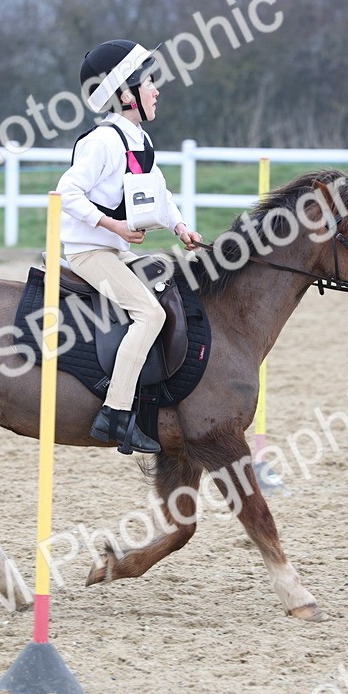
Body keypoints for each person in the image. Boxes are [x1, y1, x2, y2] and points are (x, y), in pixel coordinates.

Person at [56, 39, 202, 454]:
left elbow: (160, 191)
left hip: (115, 251)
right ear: (125, 94)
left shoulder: (137, 139)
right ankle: (115, 414)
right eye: (150, 82)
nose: (156, 89)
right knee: (149, 314)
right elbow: (67, 192)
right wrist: (114, 226)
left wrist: (179, 227)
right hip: (90, 253)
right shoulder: (102, 141)